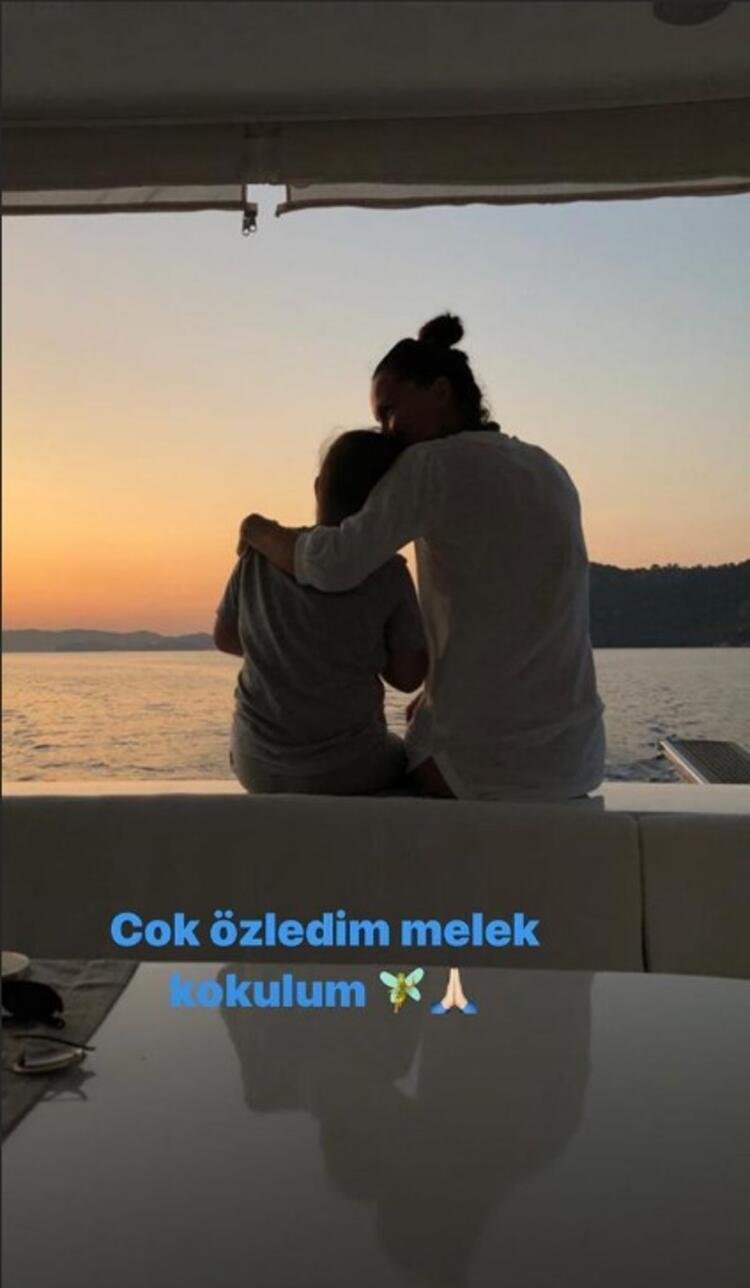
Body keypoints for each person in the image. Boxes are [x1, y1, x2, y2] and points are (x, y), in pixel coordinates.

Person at [237, 314, 605, 801]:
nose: (387, 430)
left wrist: (258, 531)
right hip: (577, 759)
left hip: (478, 766)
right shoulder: (549, 469)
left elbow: (333, 564)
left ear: (439, 391)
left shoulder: (430, 464)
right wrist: (433, 696)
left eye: (389, 410)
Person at [215, 429, 427, 794]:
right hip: (353, 769)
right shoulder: (389, 572)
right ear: (386, 505)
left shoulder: (257, 554)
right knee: (409, 757)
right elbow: (408, 678)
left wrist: (286, 649)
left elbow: (225, 637)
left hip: (256, 766)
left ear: (318, 488)